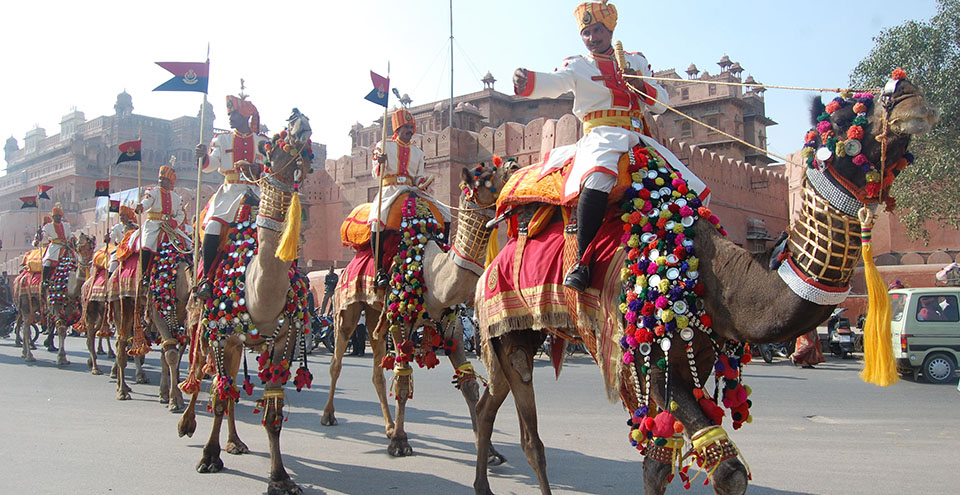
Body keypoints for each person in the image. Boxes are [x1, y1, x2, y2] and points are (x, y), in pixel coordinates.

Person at [512, 0, 668, 292]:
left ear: (610, 29)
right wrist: (527, 81)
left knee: (685, 183)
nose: (593, 38)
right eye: (587, 33)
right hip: (601, 136)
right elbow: (555, 83)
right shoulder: (578, 65)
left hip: (639, 135)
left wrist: (641, 86)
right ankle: (582, 263)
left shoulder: (636, 61)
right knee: (598, 177)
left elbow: (663, 102)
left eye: (598, 30)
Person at [194, 95, 269, 298]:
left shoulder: (262, 142)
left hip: (256, 192)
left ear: (245, 115)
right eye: (229, 114)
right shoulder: (222, 139)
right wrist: (203, 158)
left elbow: (272, 169)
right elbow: (211, 166)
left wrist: (258, 168)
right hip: (229, 193)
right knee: (212, 226)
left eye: (234, 114)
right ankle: (207, 281)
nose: (230, 118)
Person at [369, 108, 450, 287]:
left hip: (412, 189)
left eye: (411, 126)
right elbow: (377, 174)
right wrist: (380, 163)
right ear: (397, 129)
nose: (409, 130)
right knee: (377, 220)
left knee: (445, 214)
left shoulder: (418, 152)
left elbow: (419, 176)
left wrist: (424, 182)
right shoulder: (383, 146)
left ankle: (443, 255)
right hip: (390, 189)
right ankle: (379, 270)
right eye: (405, 127)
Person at [137, 165, 191, 276]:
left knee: (188, 244)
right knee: (146, 245)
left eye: (164, 179)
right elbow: (146, 202)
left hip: (170, 227)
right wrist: (141, 207)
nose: (161, 181)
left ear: (170, 181)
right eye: (160, 179)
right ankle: (144, 276)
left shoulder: (176, 197)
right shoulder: (153, 193)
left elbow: (180, 214)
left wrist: (173, 222)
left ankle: (192, 271)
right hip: (153, 225)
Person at [40, 203, 72, 287]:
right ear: (53, 217)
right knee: (47, 262)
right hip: (54, 247)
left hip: (66, 247)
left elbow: (70, 235)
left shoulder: (66, 225)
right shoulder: (48, 227)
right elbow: (44, 237)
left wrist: (72, 239)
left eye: (59, 216)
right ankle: (44, 280)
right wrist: (40, 236)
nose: (58, 218)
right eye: (56, 216)